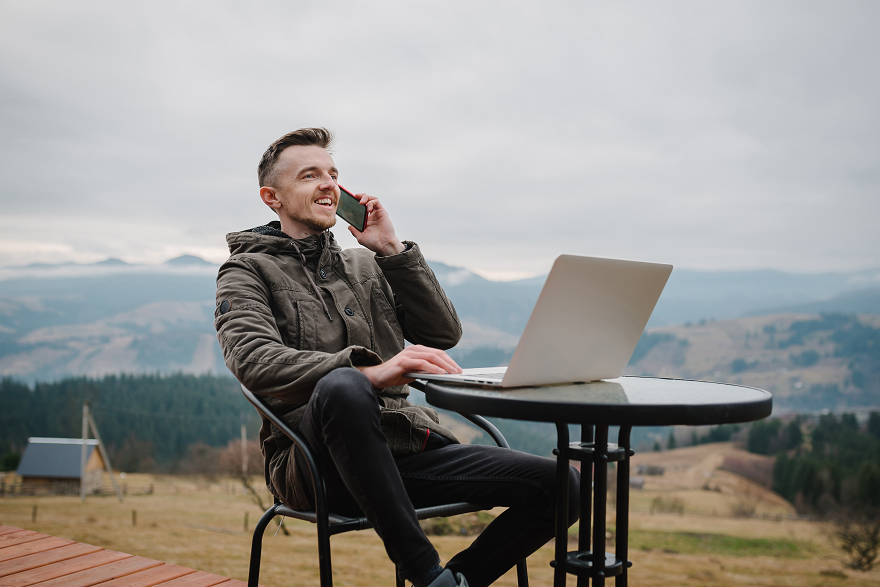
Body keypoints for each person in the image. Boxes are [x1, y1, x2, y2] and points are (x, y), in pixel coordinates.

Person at [214, 128, 579, 587]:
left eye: (333, 174)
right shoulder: (245, 271)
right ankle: (423, 572)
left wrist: (391, 250)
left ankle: (456, 581)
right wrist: (371, 370)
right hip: (315, 466)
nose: (328, 184)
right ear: (273, 198)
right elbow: (253, 361)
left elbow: (442, 333)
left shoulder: (367, 265)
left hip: (404, 447)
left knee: (562, 484)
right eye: (309, 176)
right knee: (344, 385)